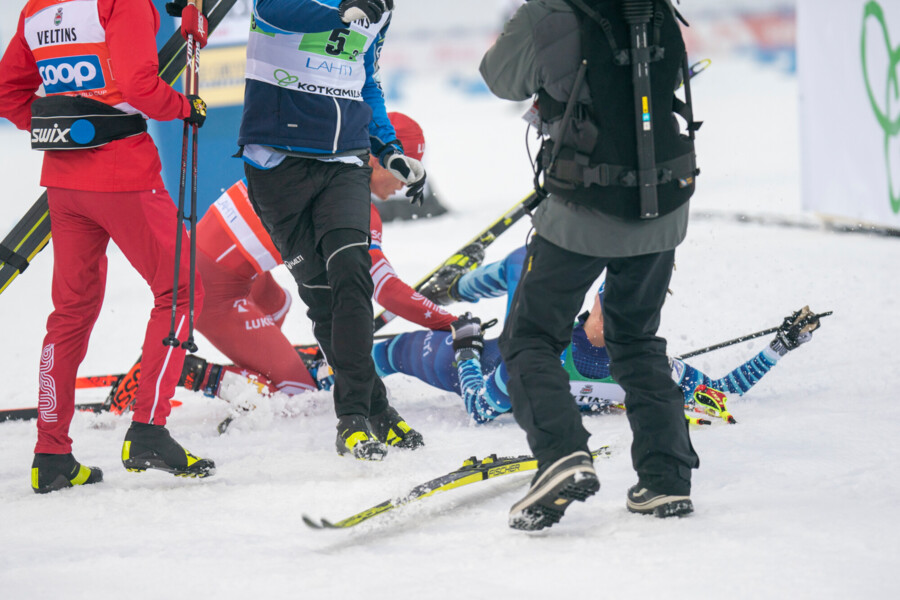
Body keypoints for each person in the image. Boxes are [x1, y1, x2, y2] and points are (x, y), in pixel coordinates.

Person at [480, 0, 703, 529]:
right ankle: (666, 480)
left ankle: (561, 455)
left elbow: (500, 77)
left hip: (584, 205)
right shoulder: (659, 9)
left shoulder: (550, 12)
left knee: (531, 337)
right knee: (635, 338)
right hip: (664, 206)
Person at [0, 0, 215, 493]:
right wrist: (185, 107)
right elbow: (141, 86)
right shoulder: (123, 3)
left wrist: (63, 126)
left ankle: (51, 454)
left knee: (70, 313)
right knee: (181, 293)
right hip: (123, 176)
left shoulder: (38, 7)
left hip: (64, 179)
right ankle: (148, 431)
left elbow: (7, 92)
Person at [238, 0, 427, 460]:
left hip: (345, 159)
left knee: (351, 276)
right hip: (277, 163)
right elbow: (275, 13)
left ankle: (353, 418)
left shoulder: (380, 8)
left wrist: (389, 147)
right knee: (323, 299)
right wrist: (342, 12)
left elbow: (368, 81)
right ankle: (377, 409)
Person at [180, 112, 457, 404]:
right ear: (379, 158)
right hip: (209, 289)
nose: (408, 183)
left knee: (277, 305)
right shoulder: (351, 205)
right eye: (407, 169)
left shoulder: (324, 156)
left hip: (210, 265)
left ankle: (259, 367)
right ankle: (195, 373)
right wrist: (449, 322)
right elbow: (385, 289)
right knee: (297, 395)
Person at [377, 247, 824, 424]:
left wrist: (780, 347)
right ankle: (461, 284)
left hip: (479, 361)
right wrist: (467, 349)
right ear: (595, 299)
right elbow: (477, 407)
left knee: (394, 352)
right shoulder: (542, 353)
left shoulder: (654, 368)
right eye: (608, 308)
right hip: (478, 359)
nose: (615, 321)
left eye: (633, 313)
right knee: (392, 353)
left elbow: (720, 397)